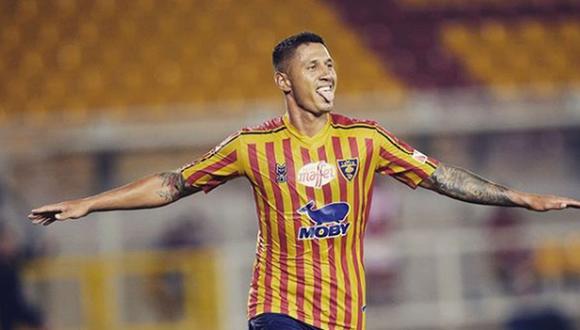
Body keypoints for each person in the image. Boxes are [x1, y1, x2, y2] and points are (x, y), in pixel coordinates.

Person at [28, 32, 580, 330]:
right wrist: (91, 203)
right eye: (314, 65)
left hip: (345, 315)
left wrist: (521, 197)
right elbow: (174, 183)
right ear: (283, 80)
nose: (328, 73)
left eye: (331, 63)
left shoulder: (367, 140)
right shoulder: (251, 146)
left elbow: (443, 177)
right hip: (277, 311)